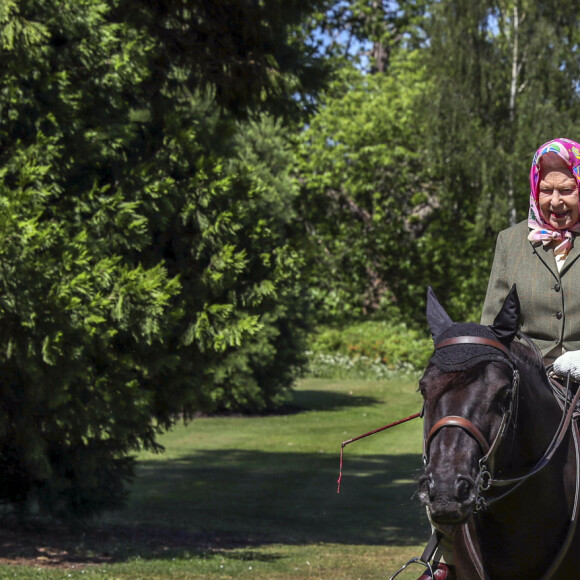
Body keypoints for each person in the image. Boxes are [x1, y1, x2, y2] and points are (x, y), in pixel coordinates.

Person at [417, 137, 580, 580]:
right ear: (535, 188)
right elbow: (496, 326)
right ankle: (445, 555)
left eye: (567, 189)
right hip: (527, 382)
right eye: (547, 190)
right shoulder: (511, 242)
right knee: (461, 447)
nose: (555, 200)